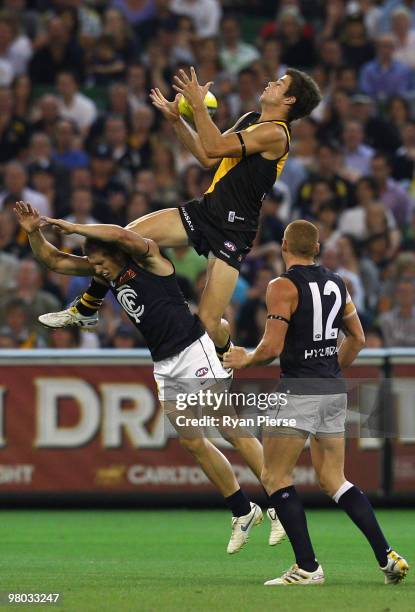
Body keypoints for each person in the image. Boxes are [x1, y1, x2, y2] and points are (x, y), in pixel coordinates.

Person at [14, 201, 286, 555]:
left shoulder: (150, 258)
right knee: (191, 441)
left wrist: (73, 225)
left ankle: (280, 499)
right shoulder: (108, 271)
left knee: (227, 425)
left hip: (192, 348)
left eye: (100, 262)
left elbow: (122, 234)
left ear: (116, 253)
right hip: (164, 363)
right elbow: (53, 260)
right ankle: (242, 510)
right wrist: (35, 232)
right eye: (93, 264)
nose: (97, 271)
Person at [38, 66, 322, 367]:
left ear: (289, 100)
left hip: (233, 232)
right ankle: (87, 307)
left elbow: (214, 146)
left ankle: (228, 354)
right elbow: (204, 155)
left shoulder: (276, 133)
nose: (270, 83)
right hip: (205, 212)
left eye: (279, 83)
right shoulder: (252, 120)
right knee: (120, 240)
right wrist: (176, 120)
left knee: (210, 323)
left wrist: (198, 105)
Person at [224, 220, 408, 586]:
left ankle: (307, 567)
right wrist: (327, 369)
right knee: (334, 479)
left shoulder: (282, 285)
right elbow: (357, 337)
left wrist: (245, 359)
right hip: (333, 389)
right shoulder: (338, 283)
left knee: (274, 476)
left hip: (299, 390)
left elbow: (272, 348)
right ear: (318, 247)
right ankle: (386, 556)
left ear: (285, 247)